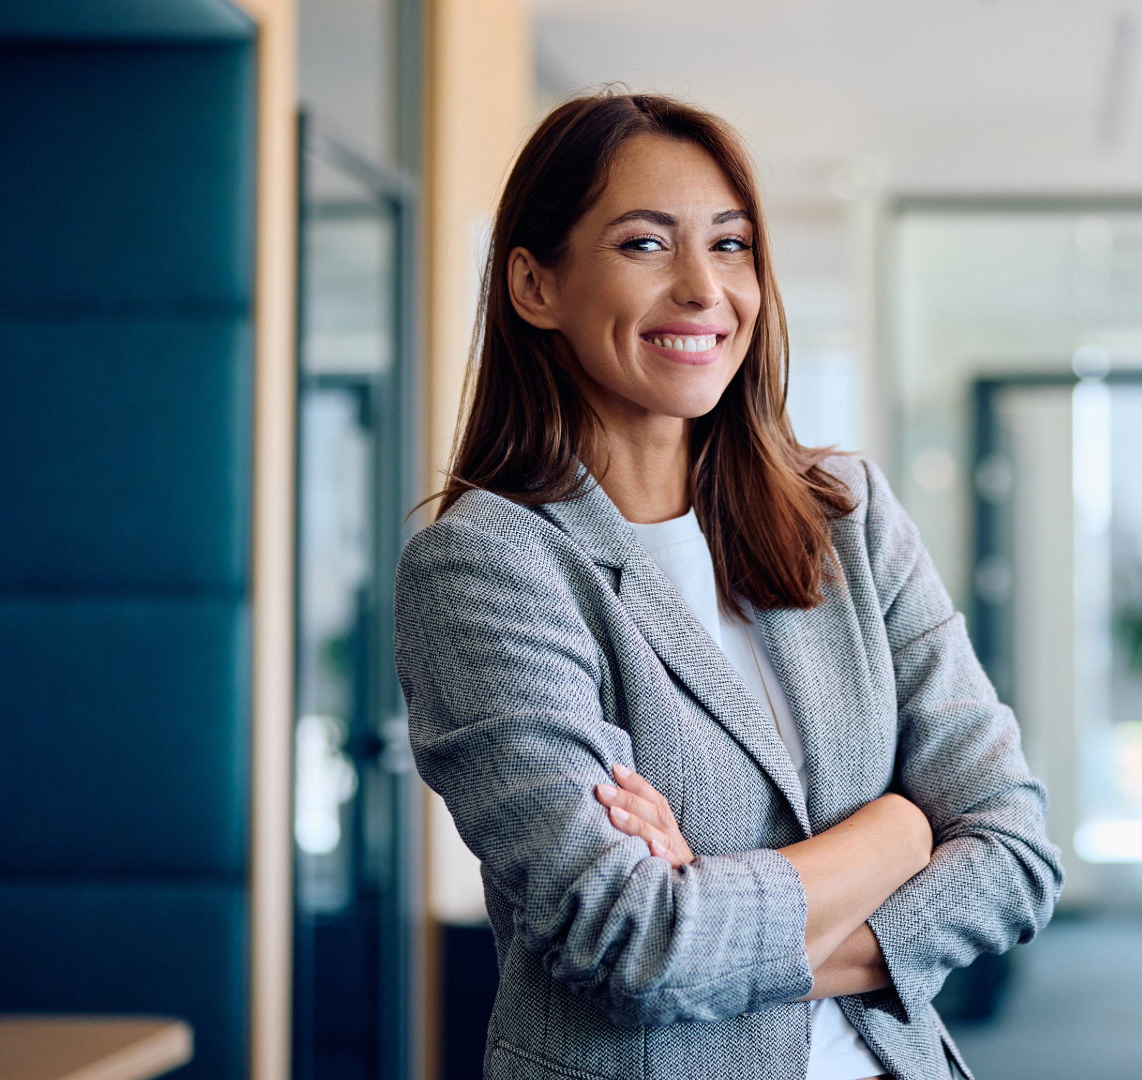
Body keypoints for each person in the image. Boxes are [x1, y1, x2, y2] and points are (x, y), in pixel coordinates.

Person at [395, 91, 1061, 1080]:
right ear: (536, 287)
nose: (705, 289)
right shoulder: (490, 565)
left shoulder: (847, 516)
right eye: (644, 245)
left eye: (732, 244)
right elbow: (636, 944)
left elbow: (1013, 848)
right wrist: (902, 828)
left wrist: (719, 912)